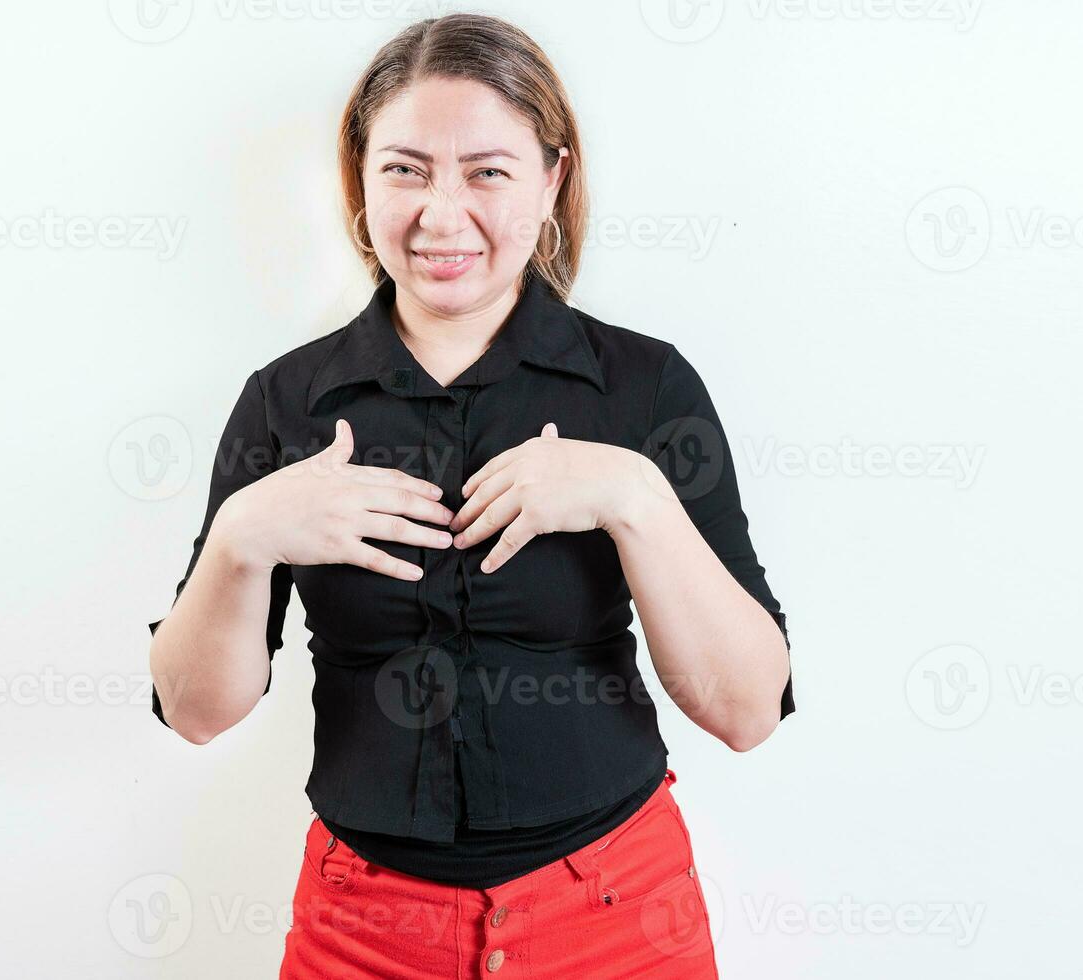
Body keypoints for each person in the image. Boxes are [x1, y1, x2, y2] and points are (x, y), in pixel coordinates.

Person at [146, 13, 794, 978]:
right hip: (362, 929)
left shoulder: (645, 389)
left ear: (552, 182)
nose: (441, 215)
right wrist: (242, 537)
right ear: (360, 184)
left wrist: (636, 497)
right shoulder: (285, 402)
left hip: (616, 917)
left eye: (486, 171)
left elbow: (747, 712)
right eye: (405, 169)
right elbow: (197, 712)